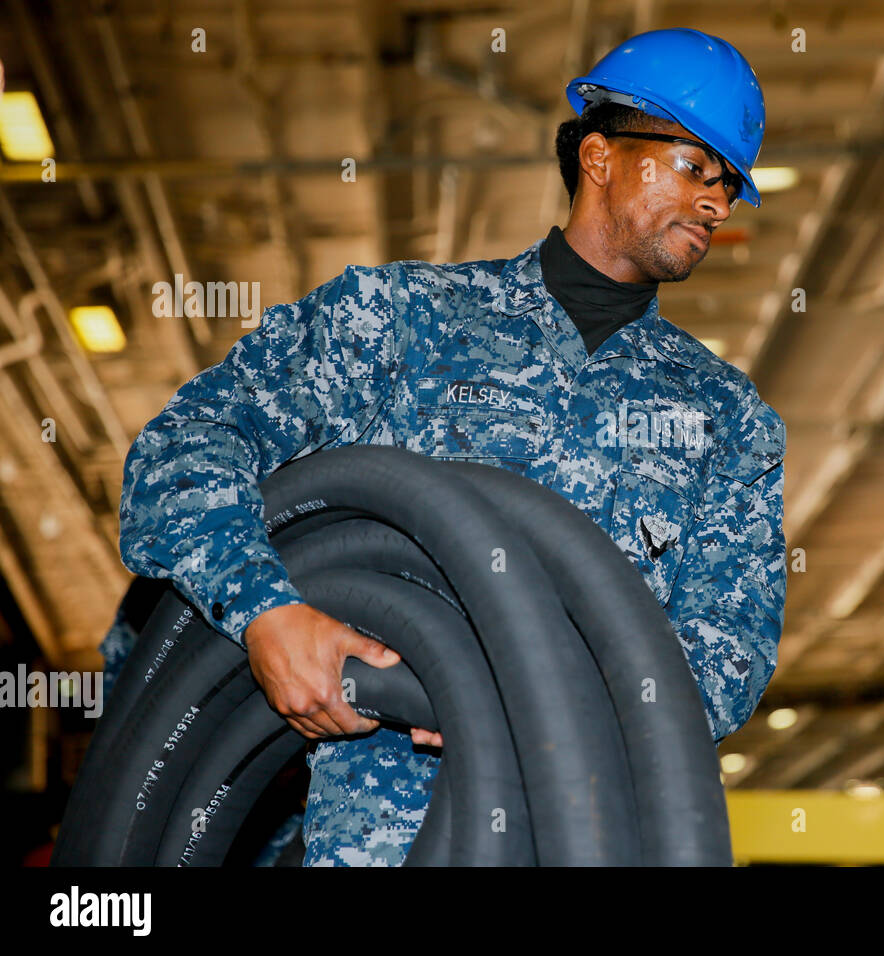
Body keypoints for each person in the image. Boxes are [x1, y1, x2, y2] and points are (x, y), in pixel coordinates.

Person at [106, 27, 785, 865]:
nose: (716, 203)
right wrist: (267, 613)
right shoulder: (403, 322)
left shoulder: (729, 418)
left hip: (593, 835)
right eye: (694, 169)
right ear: (602, 156)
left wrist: (514, 699)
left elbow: (727, 652)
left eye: (726, 184)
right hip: (384, 843)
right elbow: (185, 447)